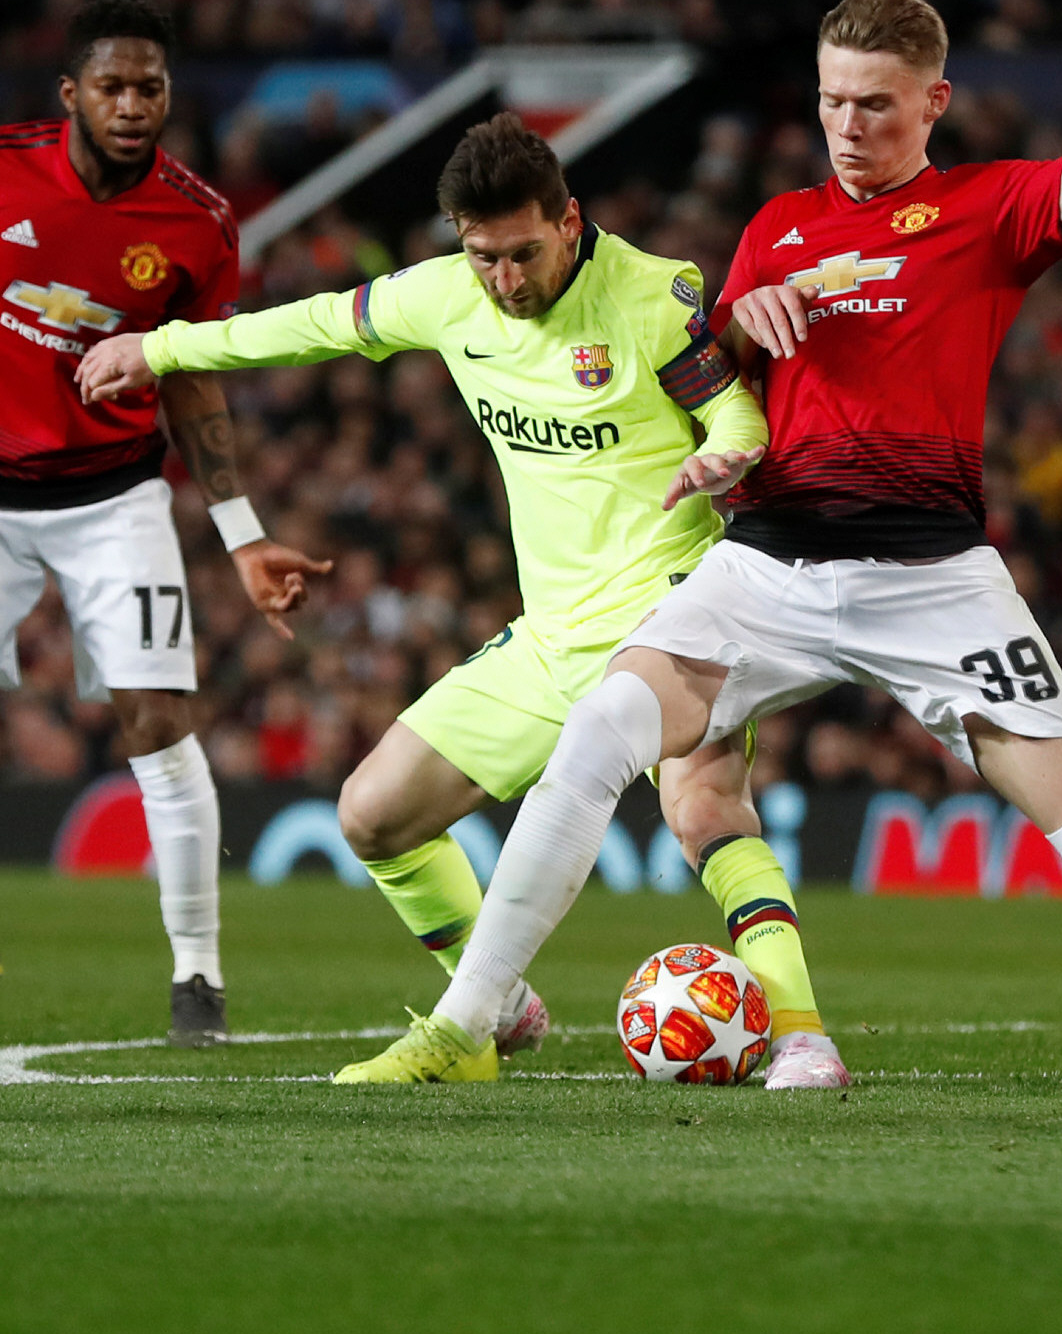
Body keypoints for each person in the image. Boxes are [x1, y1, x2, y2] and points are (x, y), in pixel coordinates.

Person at [335, 0, 1062, 1091]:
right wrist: (738, 336)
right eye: (832, 101)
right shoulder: (776, 228)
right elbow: (715, 382)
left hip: (934, 577)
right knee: (598, 731)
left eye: (876, 104)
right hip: (767, 565)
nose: (849, 126)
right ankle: (463, 1023)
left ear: (933, 102)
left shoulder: (986, 210)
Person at [82, 113, 854, 1087]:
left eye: (524, 253)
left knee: (703, 807)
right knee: (372, 815)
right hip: (552, 636)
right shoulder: (445, 296)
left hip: (674, 612)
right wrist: (162, 350)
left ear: (569, 221)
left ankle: (803, 1038)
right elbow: (313, 324)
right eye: (484, 256)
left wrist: (727, 450)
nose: (506, 279)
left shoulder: (654, 294)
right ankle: (490, 1012)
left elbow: (730, 403)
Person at [0, 0, 326, 1049]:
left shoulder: (198, 221)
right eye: (113, 86)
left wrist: (241, 534)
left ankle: (198, 974)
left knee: (158, 721)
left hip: (113, 497)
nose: (133, 106)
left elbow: (194, 382)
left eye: (151, 88)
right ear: (71, 93)